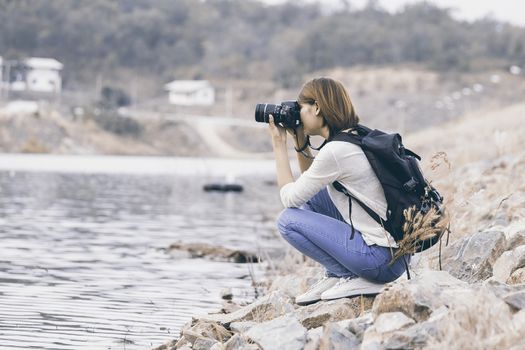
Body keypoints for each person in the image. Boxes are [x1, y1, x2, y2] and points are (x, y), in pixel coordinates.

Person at [268, 77, 410, 305]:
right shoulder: (355, 136)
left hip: (380, 262)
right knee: (314, 196)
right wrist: (300, 142)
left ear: (317, 108)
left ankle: (347, 274)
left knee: (287, 220)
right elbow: (309, 183)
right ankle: (338, 275)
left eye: (301, 107)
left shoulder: (335, 150)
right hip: (397, 257)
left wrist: (278, 145)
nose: (298, 114)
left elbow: (290, 199)